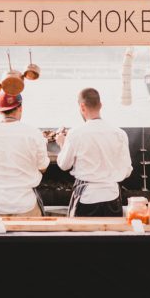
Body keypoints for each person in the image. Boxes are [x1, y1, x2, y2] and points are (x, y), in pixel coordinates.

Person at [56, 88, 132, 217]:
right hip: (112, 197)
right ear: (100, 105)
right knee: (111, 231)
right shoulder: (120, 133)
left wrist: (62, 144)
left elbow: (64, 165)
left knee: (84, 231)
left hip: (87, 198)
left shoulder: (76, 133)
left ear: (82, 106)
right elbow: (127, 171)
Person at [0, 92, 49, 216]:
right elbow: (43, 167)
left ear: (0, 111)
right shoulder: (33, 133)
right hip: (26, 204)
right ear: (20, 108)